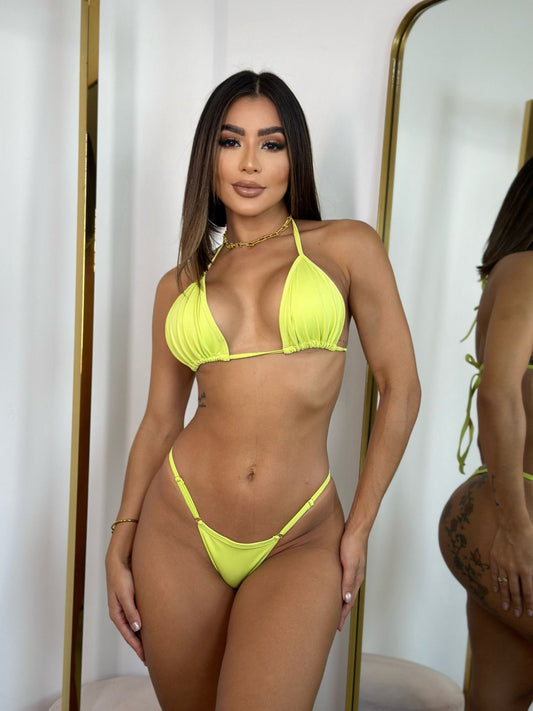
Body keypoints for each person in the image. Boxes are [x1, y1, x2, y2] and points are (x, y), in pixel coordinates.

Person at [105, 70, 420, 711]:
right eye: (231, 142)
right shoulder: (180, 284)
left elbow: (402, 390)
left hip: (301, 536)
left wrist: (358, 529)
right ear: (209, 155)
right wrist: (120, 538)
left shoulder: (346, 247)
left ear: (293, 156)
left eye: (271, 144)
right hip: (179, 529)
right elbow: (160, 421)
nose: (250, 163)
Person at [439, 157, 533, 711]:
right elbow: (497, 394)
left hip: (499, 518)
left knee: (498, 698)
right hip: (512, 522)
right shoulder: (528, 268)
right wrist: (518, 531)